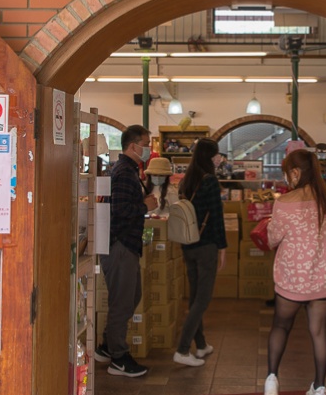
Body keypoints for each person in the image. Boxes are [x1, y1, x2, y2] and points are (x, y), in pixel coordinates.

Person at [262, 148, 326, 395]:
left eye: (287, 173)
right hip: (323, 277)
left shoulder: (284, 202)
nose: (287, 179)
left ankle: (272, 382)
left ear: (295, 172)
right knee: (319, 332)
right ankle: (319, 391)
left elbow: (272, 238)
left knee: (281, 327)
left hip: (291, 278)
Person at [95, 124, 158, 377]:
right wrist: (144, 205)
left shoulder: (129, 170)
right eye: (146, 144)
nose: (149, 149)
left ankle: (107, 346)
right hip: (120, 245)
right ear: (133, 146)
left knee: (131, 297)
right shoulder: (123, 172)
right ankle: (119, 359)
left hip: (126, 245)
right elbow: (119, 212)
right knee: (122, 302)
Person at [173, 138, 227, 367]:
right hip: (206, 247)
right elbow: (216, 218)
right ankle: (183, 350)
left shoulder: (187, 180)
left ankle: (201, 345)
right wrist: (223, 248)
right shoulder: (211, 181)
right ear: (210, 157)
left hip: (188, 245)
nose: (219, 158)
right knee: (202, 300)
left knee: (195, 296)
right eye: (216, 154)